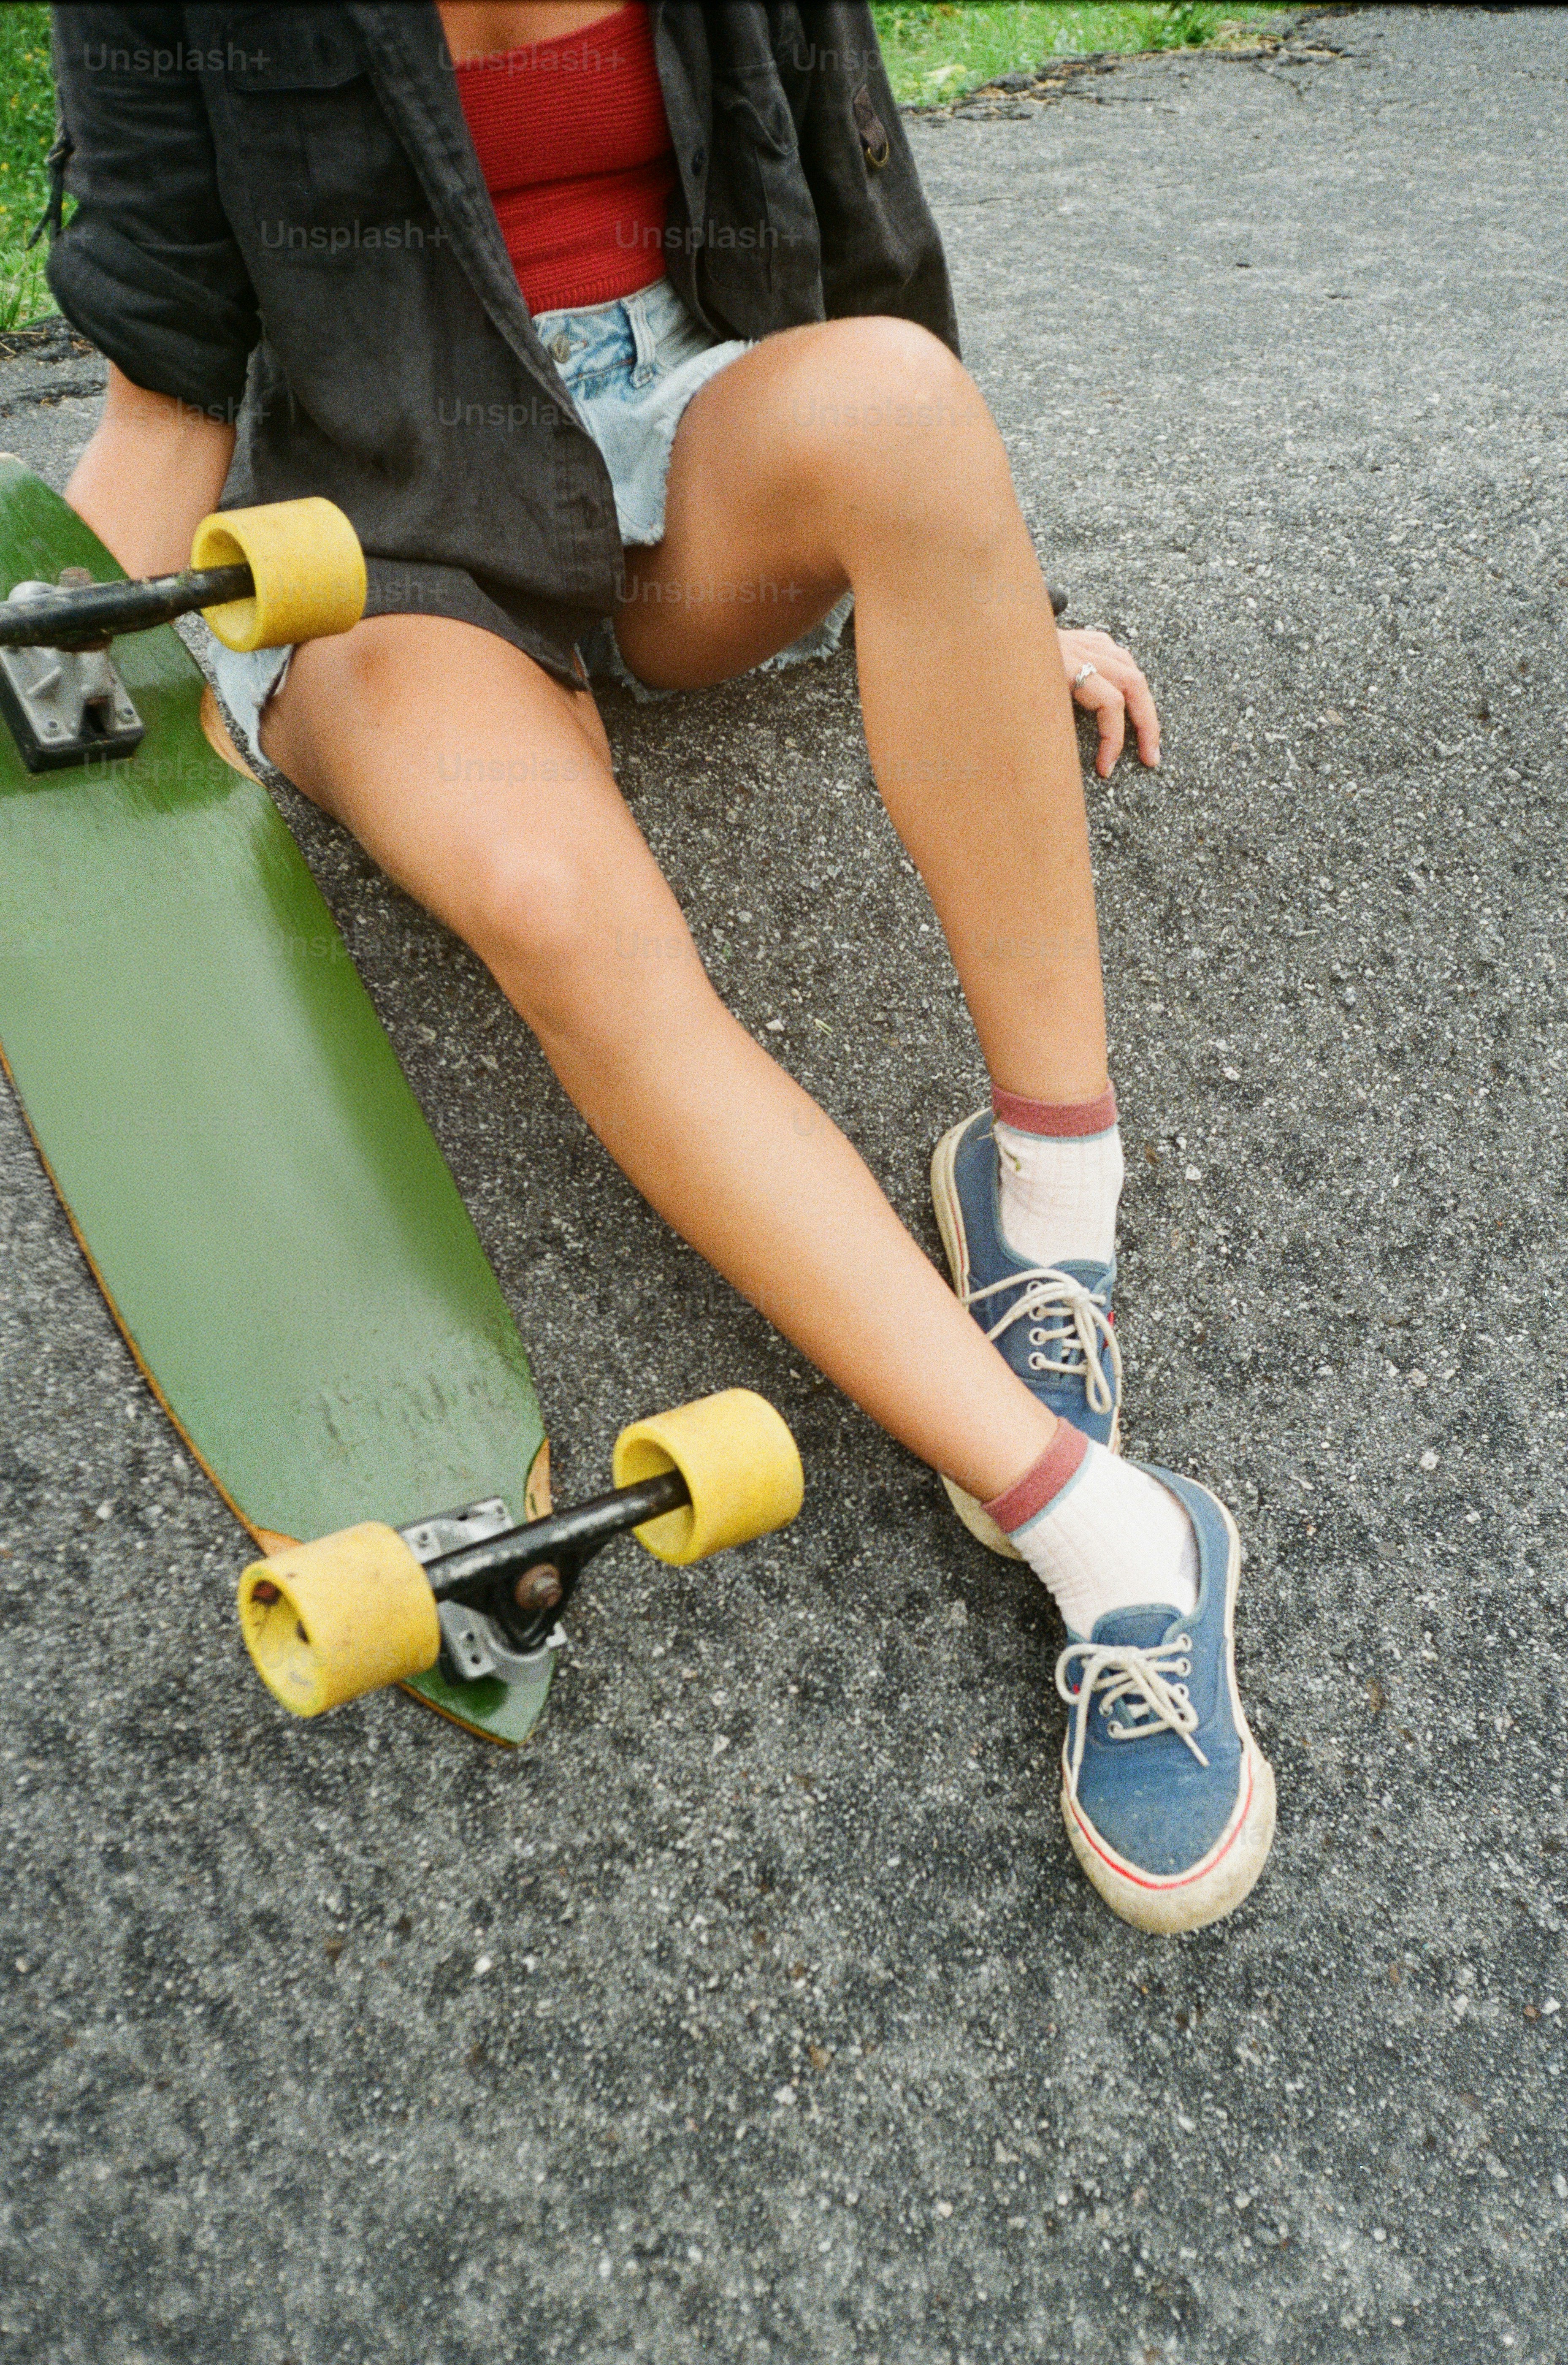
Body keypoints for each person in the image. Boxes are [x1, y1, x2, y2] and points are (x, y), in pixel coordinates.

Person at [44, 0, 1273, 1931]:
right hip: (385, 534)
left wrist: (973, 590)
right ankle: (1115, 1539)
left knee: (897, 404)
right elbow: (164, 413)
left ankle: (1044, 1195)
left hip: (695, 451)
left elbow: (871, 265)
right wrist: (49, 742)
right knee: (551, 908)